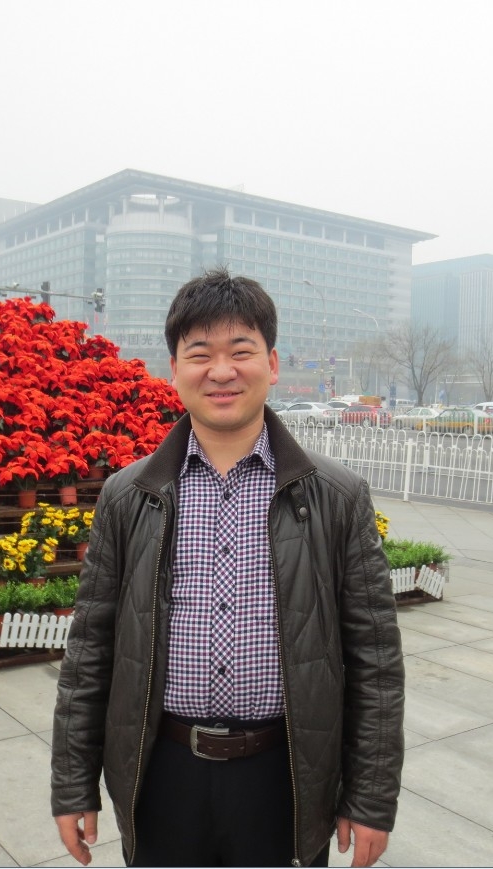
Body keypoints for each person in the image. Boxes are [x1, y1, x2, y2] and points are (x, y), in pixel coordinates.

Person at [51, 268, 405, 867]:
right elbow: (90, 652)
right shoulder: (129, 496)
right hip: (161, 775)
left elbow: (375, 662)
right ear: (174, 369)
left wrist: (370, 798)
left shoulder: (335, 496)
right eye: (200, 354)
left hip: (286, 776)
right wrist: (72, 784)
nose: (221, 372)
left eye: (241, 351)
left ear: (271, 363)